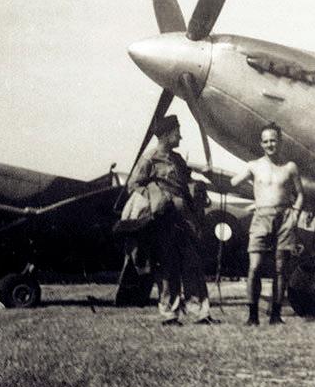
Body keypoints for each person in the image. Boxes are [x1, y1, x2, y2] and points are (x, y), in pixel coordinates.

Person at [127, 115, 215, 325]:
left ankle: (200, 313)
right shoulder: (149, 159)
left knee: (192, 263)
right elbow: (134, 185)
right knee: (168, 266)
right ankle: (169, 314)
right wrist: (156, 195)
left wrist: (198, 187)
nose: (180, 137)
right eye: (177, 132)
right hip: (164, 220)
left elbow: (186, 183)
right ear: (166, 134)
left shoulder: (178, 159)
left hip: (185, 219)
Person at [231, 122, 304, 325]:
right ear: (261, 144)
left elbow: (300, 194)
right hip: (261, 218)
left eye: (273, 140)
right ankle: (253, 316)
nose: (270, 144)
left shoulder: (290, 167)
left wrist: (295, 215)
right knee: (254, 267)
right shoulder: (253, 166)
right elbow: (233, 182)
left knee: (280, 269)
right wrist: (210, 172)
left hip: (284, 218)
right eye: (266, 141)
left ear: (280, 142)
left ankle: (276, 315)